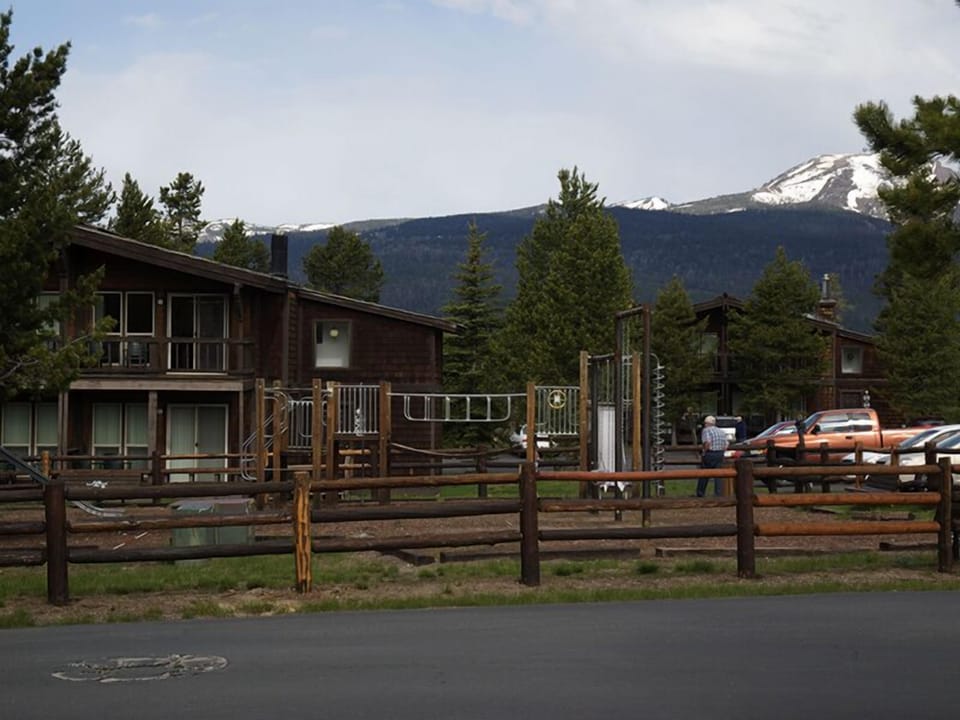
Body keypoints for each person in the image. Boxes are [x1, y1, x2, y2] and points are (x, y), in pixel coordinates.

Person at [697, 415, 729, 497]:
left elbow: (707, 442)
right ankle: (718, 494)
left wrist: (704, 451)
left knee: (704, 473)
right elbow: (726, 444)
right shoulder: (721, 431)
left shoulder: (706, 430)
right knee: (718, 475)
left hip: (710, 453)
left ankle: (700, 493)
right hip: (720, 453)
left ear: (707, 423)